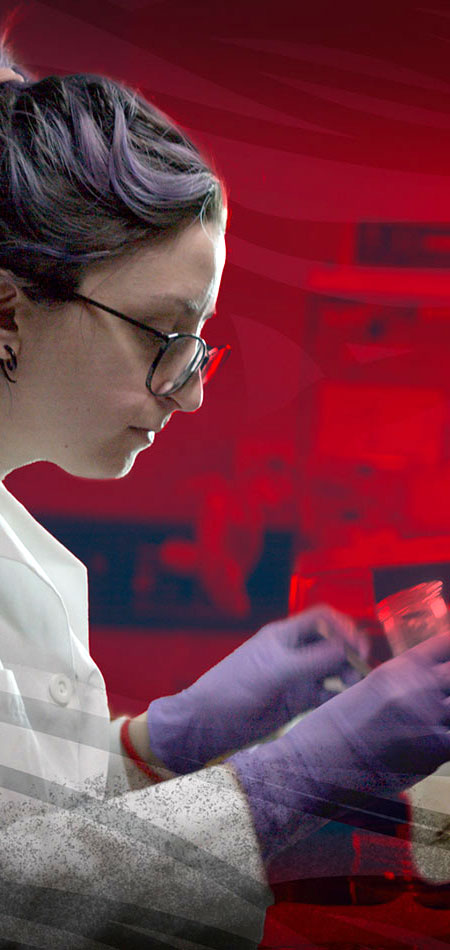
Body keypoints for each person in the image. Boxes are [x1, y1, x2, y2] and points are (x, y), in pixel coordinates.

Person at [1, 47, 450, 949]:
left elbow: (33, 820)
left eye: (198, 343)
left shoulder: (21, 550)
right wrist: (298, 777)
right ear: (9, 310)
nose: (192, 390)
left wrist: (159, 745)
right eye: (165, 336)